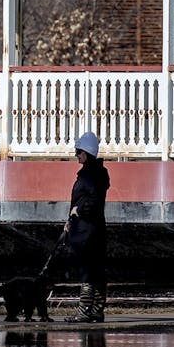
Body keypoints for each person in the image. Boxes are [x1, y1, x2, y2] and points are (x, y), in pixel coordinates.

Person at [64, 131, 111, 323]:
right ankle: (97, 310)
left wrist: (77, 211)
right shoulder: (96, 173)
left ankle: (84, 311)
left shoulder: (90, 175)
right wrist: (69, 219)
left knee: (87, 271)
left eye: (78, 151)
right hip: (94, 229)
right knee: (96, 270)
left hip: (87, 231)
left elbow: (92, 201)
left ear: (86, 152)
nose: (76, 155)